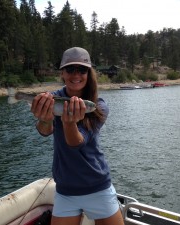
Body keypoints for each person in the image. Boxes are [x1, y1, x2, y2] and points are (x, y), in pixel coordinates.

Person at [31, 47, 124, 225]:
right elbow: (44, 131)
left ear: (88, 74)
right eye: (70, 69)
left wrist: (68, 122)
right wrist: (44, 119)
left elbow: (76, 143)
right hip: (66, 191)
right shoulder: (51, 99)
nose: (76, 74)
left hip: (97, 187)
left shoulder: (98, 106)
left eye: (82, 70)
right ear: (62, 74)